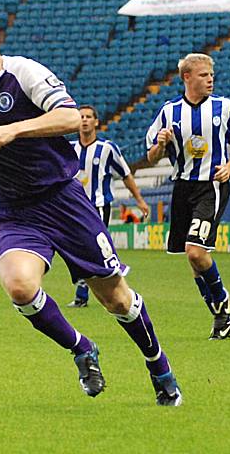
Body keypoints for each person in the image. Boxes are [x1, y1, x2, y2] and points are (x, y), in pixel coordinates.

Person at [0, 16, 181, 406]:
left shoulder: (24, 74)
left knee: (117, 301)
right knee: (20, 288)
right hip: (16, 211)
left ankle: (159, 367)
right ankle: (82, 348)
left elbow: (72, 118)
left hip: (63, 202)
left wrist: (13, 129)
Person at [146, 53, 230, 341]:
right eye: (204, 75)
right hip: (182, 188)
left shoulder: (224, 107)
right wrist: (160, 144)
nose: (210, 79)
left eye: (211, 75)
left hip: (210, 185)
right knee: (193, 262)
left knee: (195, 251)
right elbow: (151, 155)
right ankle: (222, 320)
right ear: (187, 77)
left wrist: (229, 166)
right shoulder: (169, 112)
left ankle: (223, 304)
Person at [68, 104, 150, 308]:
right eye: (81, 117)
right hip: (75, 207)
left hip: (99, 206)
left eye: (88, 116)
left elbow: (125, 175)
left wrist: (139, 200)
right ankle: (103, 279)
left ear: (96, 122)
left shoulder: (107, 148)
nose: (85, 120)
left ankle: (93, 288)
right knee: (78, 247)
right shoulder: (70, 149)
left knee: (93, 246)